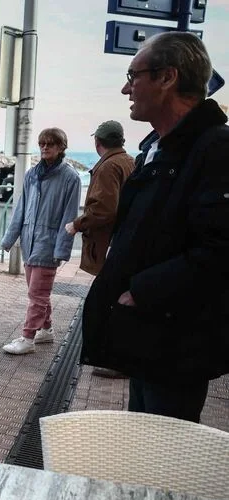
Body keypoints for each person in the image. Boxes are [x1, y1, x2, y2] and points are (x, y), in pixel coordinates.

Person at [81, 32, 229, 423]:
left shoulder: (216, 149)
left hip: (176, 344)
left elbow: (219, 251)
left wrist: (141, 292)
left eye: (134, 75)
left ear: (167, 78)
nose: (126, 88)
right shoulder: (158, 147)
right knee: (142, 446)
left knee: (164, 457)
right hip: (147, 335)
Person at [0, 127, 81, 355]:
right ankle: (46, 329)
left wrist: (61, 249)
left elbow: (70, 216)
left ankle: (27, 338)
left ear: (61, 147)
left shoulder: (70, 178)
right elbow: (21, 209)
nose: (45, 147)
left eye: (51, 144)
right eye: (42, 144)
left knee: (38, 294)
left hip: (49, 244)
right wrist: (10, 239)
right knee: (37, 292)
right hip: (29, 241)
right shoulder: (32, 174)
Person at [64, 121, 135, 277]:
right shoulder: (130, 161)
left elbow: (104, 209)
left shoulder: (108, 167)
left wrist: (76, 225)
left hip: (109, 243)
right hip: (124, 239)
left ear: (97, 142)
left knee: (106, 294)